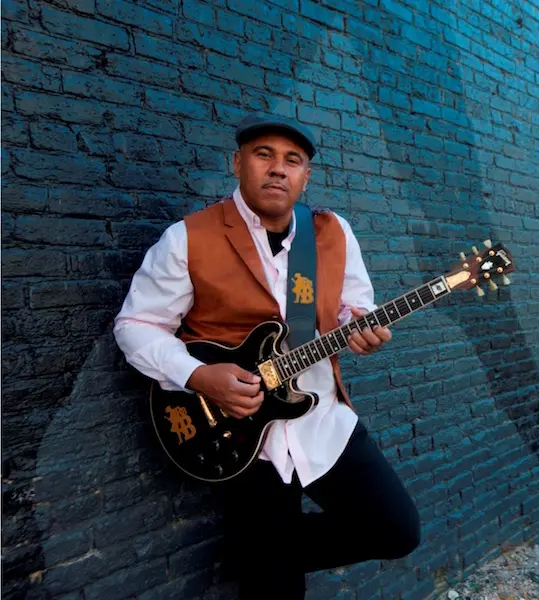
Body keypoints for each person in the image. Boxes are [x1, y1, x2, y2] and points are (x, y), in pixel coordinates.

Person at [113, 113, 421, 599]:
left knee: (395, 529)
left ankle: (260, 552)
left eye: (292, 160)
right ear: (237, 164)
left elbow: (352, 305)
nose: (278, 168)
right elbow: (135, 325)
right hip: (237, 437)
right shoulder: (188, 238)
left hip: (320, 418)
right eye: (264, 155)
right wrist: (197, 376)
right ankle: (264, 563)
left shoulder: (332, 233)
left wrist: (358, 328)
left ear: (306, 177)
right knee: (274, 591)